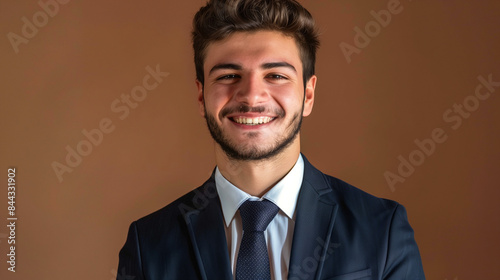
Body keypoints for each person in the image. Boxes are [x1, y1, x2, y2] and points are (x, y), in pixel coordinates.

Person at [117, 0, 425, 279]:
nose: (251, 95)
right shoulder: (149, 244)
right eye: (227, 76)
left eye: (276, 75)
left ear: (308, 94)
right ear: (201, 96)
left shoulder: (382, 229)